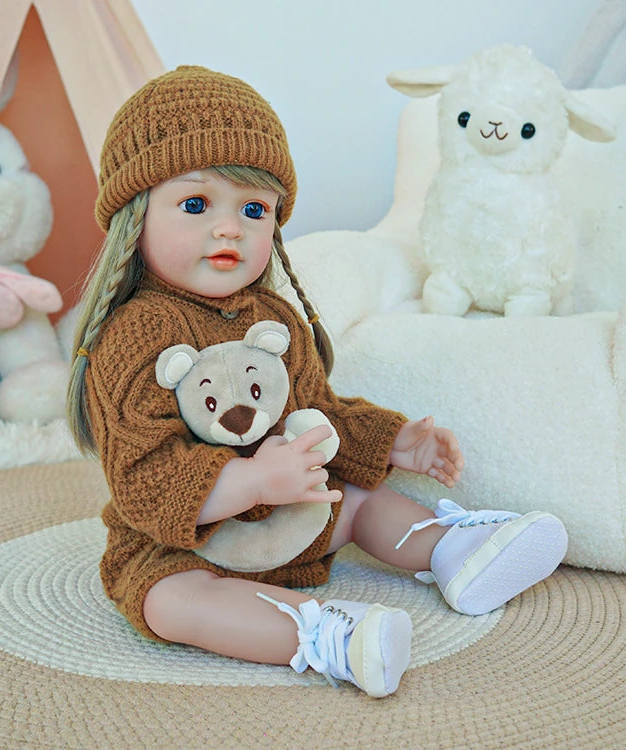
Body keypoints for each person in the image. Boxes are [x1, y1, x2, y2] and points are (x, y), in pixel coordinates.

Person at [67, 65, 568, 698]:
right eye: (196, 204)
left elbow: (317, 413)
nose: (229, 228)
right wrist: (249, 480)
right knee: (171, 603)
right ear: (134, 217)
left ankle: (452, 553)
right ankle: (326, 636)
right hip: (183, 545)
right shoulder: (134, 333)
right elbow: (143, 478)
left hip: (287, 519)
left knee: (356, 501)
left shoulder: (272, 316)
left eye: (253, 209)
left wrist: (393, 442)